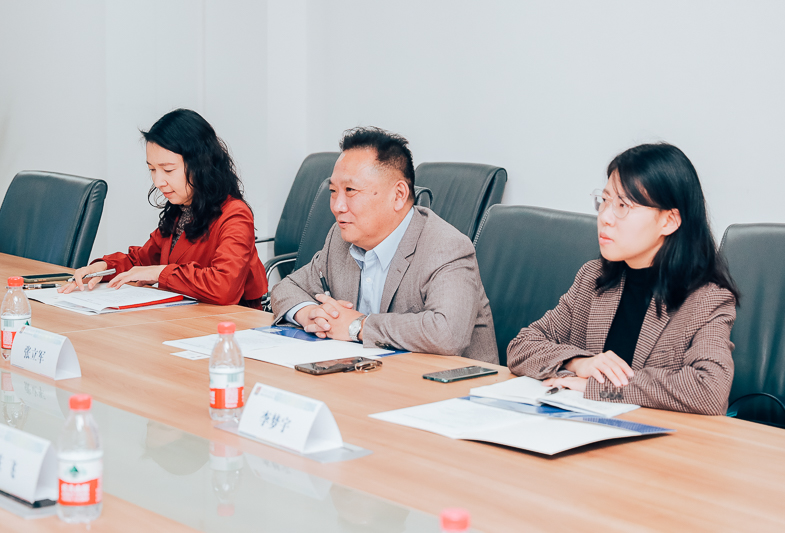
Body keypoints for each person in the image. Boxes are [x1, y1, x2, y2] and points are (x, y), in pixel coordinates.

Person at [507, 143, 738, 415]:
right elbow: (521, 347)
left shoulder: (707, 299)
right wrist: (579, 362)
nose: (605, 217)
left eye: (622, 205)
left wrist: (598, 387)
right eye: (604, 201)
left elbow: (710, 390)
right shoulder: (592, 278)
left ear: (669, 221)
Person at [270, 127, 498, 363]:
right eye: (333, 191)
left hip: (447, 382)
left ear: (398, 195)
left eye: (350, 190)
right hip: (371, 375)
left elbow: (447, 333)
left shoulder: (446, 247)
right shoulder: (340, 237)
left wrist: (358, 326)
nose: (337, 206)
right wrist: (310, 314)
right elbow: (287, 287)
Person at [59, 109, 268, 308]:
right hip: (186, 319)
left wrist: (159, 273)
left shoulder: (235, 214)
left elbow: (224, 286)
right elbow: (141, 260)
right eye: (152, 169)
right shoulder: (182, 210)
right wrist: (103, 267)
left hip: (231, 325)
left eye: (168, 170)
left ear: (201, 165)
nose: (158, 181)